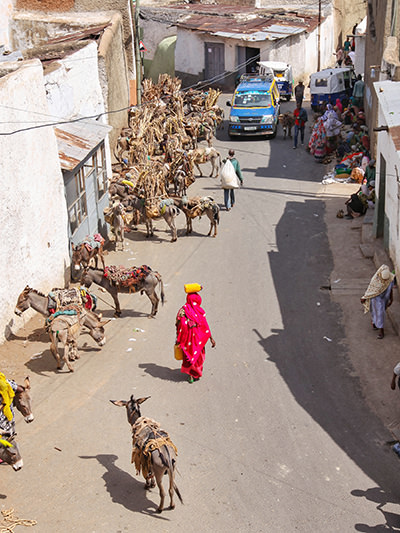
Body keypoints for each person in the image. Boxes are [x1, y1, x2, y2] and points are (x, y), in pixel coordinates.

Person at [175, 284, 216, 383]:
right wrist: (211, 338)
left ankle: (190, 375)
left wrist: (179, 338)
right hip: (198, 341)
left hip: (186, 341)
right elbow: (205, 326)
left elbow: (177, 324)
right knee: (198, 358)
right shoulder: (200, 312)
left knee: (188, 358)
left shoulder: (182, 311)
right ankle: (195, 373)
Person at [361, 265, 395, 339]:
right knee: (379, 313)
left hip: (385, 298)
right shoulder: (375, 280)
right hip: (376, 298)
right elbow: (370, 290)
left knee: (379, 312)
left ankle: (374, 323)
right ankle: (381, 330)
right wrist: (364, 297)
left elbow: (391, 289)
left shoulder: (390, 278)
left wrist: (391, 299)